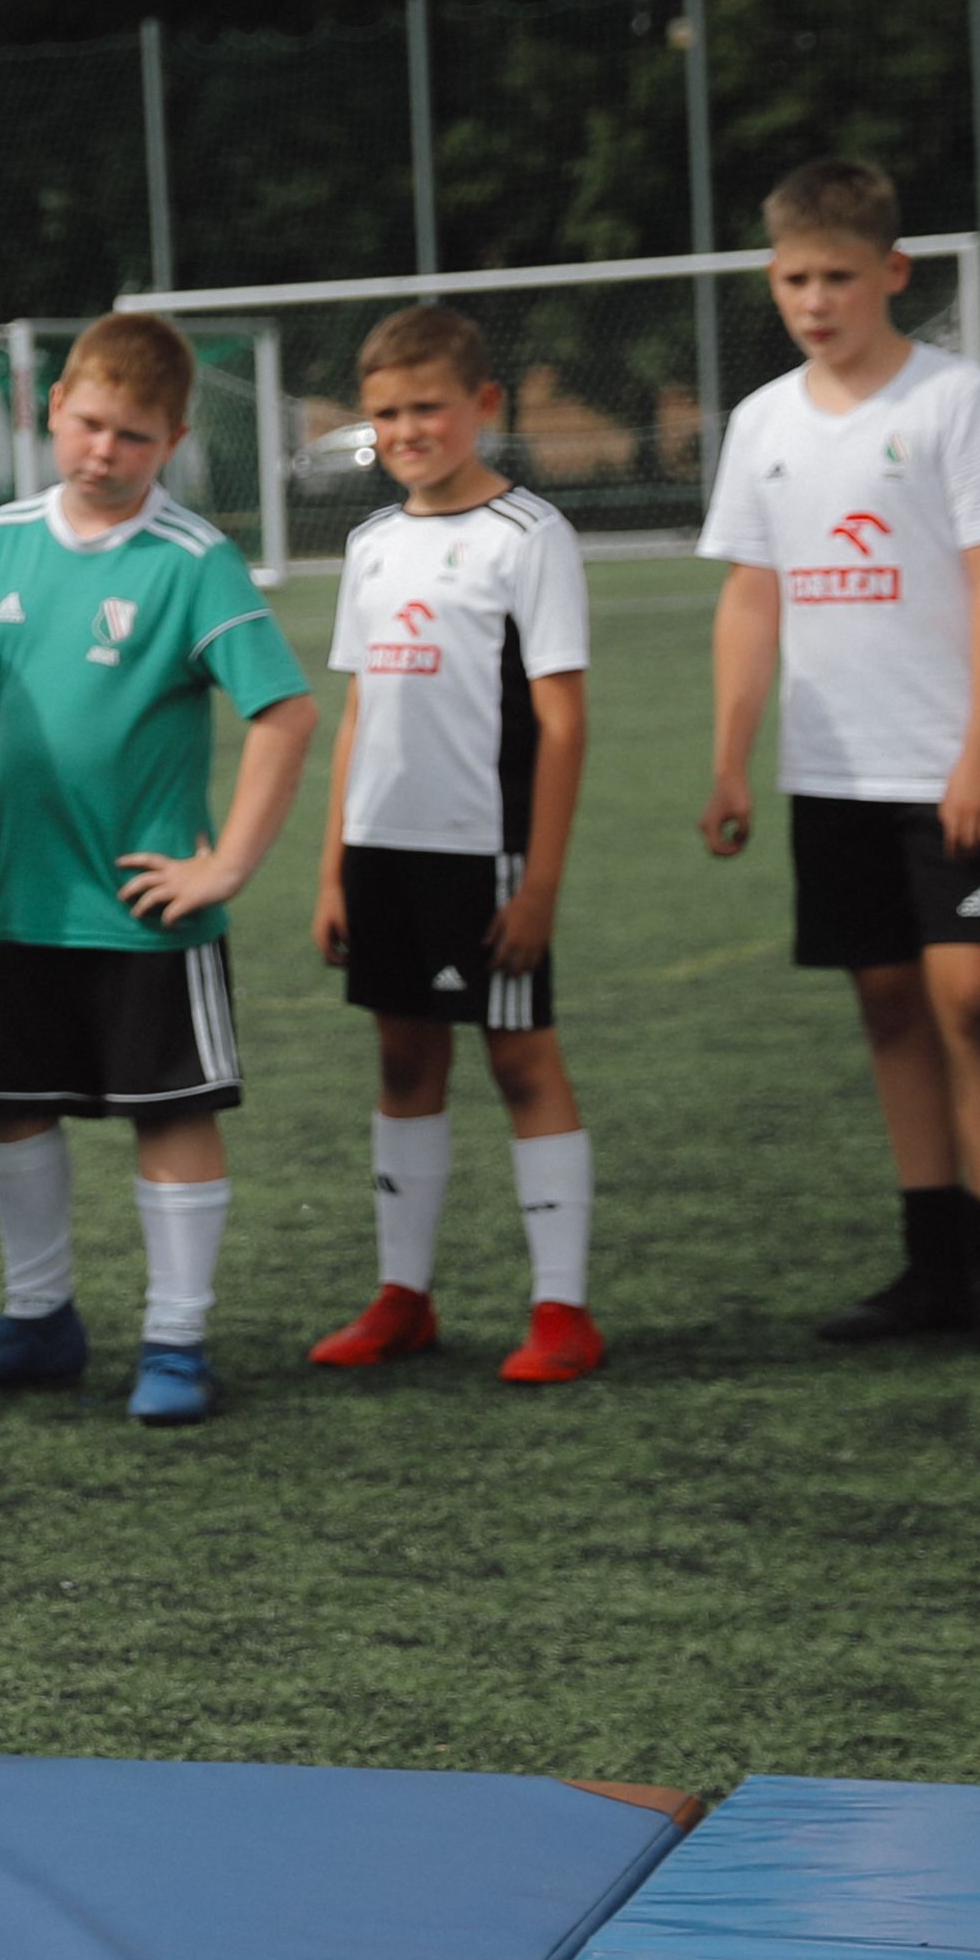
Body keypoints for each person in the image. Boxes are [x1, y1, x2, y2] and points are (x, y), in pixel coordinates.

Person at [0, 312, 315, 1430]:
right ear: (52, 410)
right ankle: (39, 1319)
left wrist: (225, 861)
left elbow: (282, 711)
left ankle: (175, 1339)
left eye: (131, 437)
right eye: (87, 424)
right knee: (11, 1109)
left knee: (169, 1112)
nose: (102, 450)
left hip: (141, 909)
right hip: (18, 900)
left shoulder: (191, 560)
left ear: (172, 440)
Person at [695, 160, 980, 1360]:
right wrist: (730, 755)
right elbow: (752, 595)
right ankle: (931, 1266)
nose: (814, 299)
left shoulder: (951, 401)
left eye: (837, 276)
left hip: (949, 766)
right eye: (794, 277)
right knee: (891, 1002)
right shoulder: (760, 422)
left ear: (890, 274)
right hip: (831, 770)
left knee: (974, 996)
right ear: (771, 279)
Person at [302, 306, 603, 1384]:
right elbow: (355, 712)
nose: (405, 427)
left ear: (479, 405)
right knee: (400, 1056)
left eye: (426, 405)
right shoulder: (370, 543)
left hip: (488, 852)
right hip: (383, 846)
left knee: (519, 1059)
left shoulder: (530, 536)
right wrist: (333, 865)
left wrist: (541, 887)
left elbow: (561, 722)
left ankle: (561, 1309)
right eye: (384, 412)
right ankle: (401, 1295)